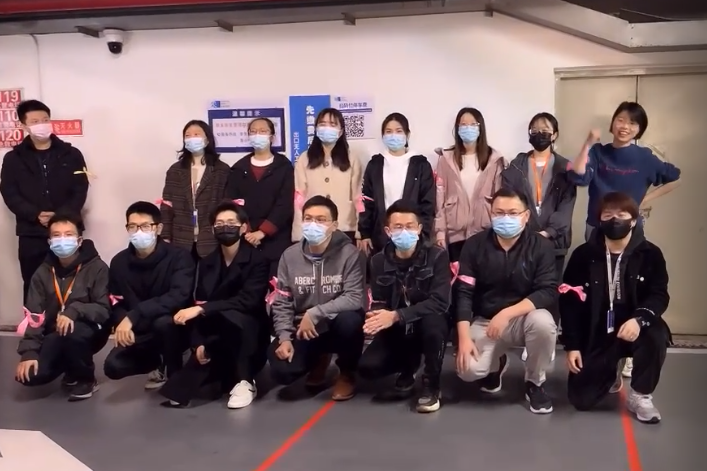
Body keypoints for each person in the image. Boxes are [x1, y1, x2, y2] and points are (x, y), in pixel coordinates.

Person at [567, 101, 680, 378]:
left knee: (629, 288)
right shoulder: (598, 152)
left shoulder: (645, 158)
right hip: (597, 228)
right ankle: (601, 345)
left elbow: (674, 177)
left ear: (639, 129)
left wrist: (643, 201)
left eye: (632, 122)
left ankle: (631, 347)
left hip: (631, 230)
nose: (625, 126)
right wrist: (588, 142)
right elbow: (577, 175)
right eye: (620, 119)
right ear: (612, 123)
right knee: (598, 290)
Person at [561, 192, 670, 424]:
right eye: (608, 215)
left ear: (634, 220)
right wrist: (572, 346)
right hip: (598, 329)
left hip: (635, 325)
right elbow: (570, 303)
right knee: (581, 400)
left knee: (656, 334)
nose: (614, 220)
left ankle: (640, 395)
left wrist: (639, 320)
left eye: (621, 215)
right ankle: (611, 370)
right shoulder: (583, 255)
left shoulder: (651, 254)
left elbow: (659, 295)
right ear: (599, 220)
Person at [455, 188, 558, 414]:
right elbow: (463, 293)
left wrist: (507, 313)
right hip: (486, 321)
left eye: (513, 213)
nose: (505, 218)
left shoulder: (542, 246)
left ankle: (534, 382)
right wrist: (463, 338)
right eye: (499, 213)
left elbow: (547, 291)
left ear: (526, 215)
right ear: (491, 213)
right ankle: (496, 364)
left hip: (525, 319)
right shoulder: (474, 245)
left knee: (544, 323)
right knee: (467, 370)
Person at [160, 200, 270, 409]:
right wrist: (198, 342)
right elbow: (201, 300)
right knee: (181, 390)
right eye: (219, 224)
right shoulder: (207, 262)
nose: (224, 227)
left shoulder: (258, 260)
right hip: (217, 331)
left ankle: (246, 382)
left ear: (243, 227)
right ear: (212, 229)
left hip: (249, 332)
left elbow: (248, 300)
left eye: (231, 222)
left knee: (233, 318)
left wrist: (203, 308)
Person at [268, 196, 365, 401]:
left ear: (334, 225)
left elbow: (354, 297)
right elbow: (283, 301)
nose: (313, 224)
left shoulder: (349, 254)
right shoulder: (289, 256)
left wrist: (315, 313)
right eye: (308, 218)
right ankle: (319, 358)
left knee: (351, 320)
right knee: (282, 371)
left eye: (321, 220)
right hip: (303, 328)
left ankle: (347, 372)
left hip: (335, 322)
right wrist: (284, 338)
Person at [358, 200, 451, 413]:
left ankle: (431, 384)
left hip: (428, 320)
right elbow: (379, 300)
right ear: (388, 231)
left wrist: (396, 315)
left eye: (409, 226)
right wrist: (375, 319)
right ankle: (409, 367)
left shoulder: (437, 255)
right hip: (398, 327)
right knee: (368, 367)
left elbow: (440, 301)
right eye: (398, 227)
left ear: (419, 229)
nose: (404, 231)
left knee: (434, 324)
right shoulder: (378, 261)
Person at [0, 99, 90, 302]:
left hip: (67, 231)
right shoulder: (13, 158)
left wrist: (60, 217)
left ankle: (73, 319)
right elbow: (9, 192)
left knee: (74, 283)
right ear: (23, 126)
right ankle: (35, 321)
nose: (42, 124)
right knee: (34, 283)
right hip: (31, 232)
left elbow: (80, 188)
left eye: (45, 119)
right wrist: (35, 215)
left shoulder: (71, 154)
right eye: (35, 121)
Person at [14, 213, 110, 401]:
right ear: (49, 241)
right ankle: (70, 367)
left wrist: (74, 311)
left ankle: (86, 379)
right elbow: (34, 316)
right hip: (55, 333)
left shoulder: (97, 268)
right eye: (56, 235)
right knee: (30, 376)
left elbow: (104, 309)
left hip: (89, 330)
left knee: (74, 333)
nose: (62, 240)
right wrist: (29, 352)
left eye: (68, 234)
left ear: (79, 240)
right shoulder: (42, 272)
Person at [103, 201, 195, 389]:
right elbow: (115, 300)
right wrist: (122, 322)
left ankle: (175, 371)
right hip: (140, 331)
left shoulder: (179, 257)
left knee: (163, 323)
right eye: (133, 226)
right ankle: (158, 361)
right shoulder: (119, 262)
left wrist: (134, 315)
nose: (139, 232)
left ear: (158, 228)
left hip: (173, 326)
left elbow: (178, 296)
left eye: (145, 226)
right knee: (113, 366)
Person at [434, 107, 506, 261]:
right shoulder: (446, 159)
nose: (468, 128)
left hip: (485, 232)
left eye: (473, 124)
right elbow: (439, 199)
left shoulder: (494, 160)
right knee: (458, 275)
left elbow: (500, 199)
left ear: (480, 128)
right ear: (457, 128)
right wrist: (440, 232)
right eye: (463, 124)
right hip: (455, 234)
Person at [226, 117, 294, 277]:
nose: (258, 135)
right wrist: (248, 231)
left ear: (272, 137)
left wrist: (263, 232)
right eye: (253, 131)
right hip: (247, 240)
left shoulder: (284, 167)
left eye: (263, 131)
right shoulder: (238, 168)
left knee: (277, 285)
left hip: (277, 240)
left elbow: (285, 203)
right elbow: (233, 202)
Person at [358, 112, 435, 255]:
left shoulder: (420, 164)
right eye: (388, 132)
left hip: (412, 236)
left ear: (407, 135)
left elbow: (428, 204)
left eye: (399, 131)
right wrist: (365, 233)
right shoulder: (375, 164)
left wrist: (422, 233)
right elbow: (367, 201)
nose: (393, 135)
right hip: (380, 236)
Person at [160, 120, 230, 261]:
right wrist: (165, 236)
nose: (192, 138)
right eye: (188, 135)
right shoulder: (175, 170)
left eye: (197, 134)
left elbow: (227, 205)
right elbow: (166, 206)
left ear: (207, 139)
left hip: (211, 239)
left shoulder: (222, 170)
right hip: (181, 239)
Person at [293, 108, 363, 243]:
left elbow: (358, 197)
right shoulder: (305, 159)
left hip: (345, 226)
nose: (327, 128)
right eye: (322, 124)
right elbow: (299, 197)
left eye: (332, 124)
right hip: (314, 228)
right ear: (316, 129)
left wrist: (360, 232)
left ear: (341, 131)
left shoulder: (352, 158)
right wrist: (298, 233)